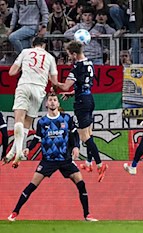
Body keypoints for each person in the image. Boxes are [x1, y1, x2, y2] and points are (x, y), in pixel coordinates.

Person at [7, 93, 97, 222]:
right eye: (50, 100)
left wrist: (76, 146)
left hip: (65, 159)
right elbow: (37, 139)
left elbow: (74, 135)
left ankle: (87, 215)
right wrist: (28, 148)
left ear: (58, 103)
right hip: (48, 160)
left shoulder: (66, 118)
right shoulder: (42, 122)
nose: (53, 102)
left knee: (81, 183)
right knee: (32, 185)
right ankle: (14, 213)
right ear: (46, 104)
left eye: (55, 100)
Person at [55, 41, 108, 182]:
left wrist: (53, 81)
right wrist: (73, 93)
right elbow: (84, 85)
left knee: (84, 137)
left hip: (81, 103)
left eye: (69, 55)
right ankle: (88, 163)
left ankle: (100, 164)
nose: (69, 58)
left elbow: (65, 86)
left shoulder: (76, 68)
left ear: (74, 54)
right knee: (89, 133)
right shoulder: (89, 63)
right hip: (89, 99)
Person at [3, 37, 58, 168]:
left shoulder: (25, 52)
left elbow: (11, 72)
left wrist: (23, 67)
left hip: (25, 85)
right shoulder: (50, 57)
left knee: (19, 119)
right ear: (44, 46)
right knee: (27, 123)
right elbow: (55, 82)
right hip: (39, 89)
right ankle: (14, 152)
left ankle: (18, 151)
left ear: (33, 45)